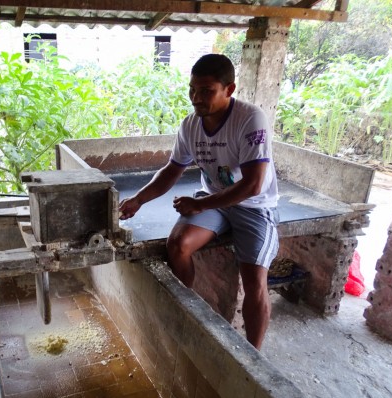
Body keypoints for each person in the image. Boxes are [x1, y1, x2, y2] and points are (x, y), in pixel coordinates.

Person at [118, 54, 279, 350]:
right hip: (214, 201)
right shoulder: (191, 125)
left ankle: (254, 358)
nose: (196, 98)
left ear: (229, 89)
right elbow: (172, 170)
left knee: (255, 279)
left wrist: (200, 206)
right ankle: (188, 311)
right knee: (178, 246)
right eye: (192, 89)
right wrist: (138, 200)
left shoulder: (250, 119)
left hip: (254, 207)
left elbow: (253, 184)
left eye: (206, 91)